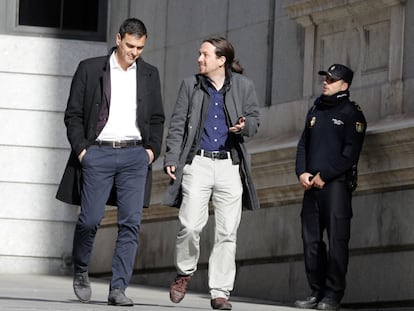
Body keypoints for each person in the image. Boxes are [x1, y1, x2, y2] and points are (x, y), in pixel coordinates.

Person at [55, 18, 165, 306]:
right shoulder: (90, 69)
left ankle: (118, 288)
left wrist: (150, 152)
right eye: (130, 45)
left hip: (134, 156)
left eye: (140, 47)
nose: (135, 52)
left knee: (130, 224)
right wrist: (83, 152)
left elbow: (156, 118)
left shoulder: (149, 74)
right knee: (90, 220)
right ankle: (81, 269)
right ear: (118, 39)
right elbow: (73, 115)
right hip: (98, 154)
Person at [163, 37, 260, 310]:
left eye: (205, 55)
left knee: (227, 232)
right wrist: (171, 156)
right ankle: (184, 271)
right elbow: (178, 123)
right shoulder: (190, 85)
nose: (199, 59)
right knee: (190, 225)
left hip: (230, 165)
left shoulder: (244, 86)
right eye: (199, 54)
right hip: (198, 164)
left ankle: (220, 292)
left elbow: (255, 121)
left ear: (222, 60)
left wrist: (244, 126)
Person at [294, 64, 366, 310]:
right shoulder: (315, 110)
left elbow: (350, 154)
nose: (326, 82)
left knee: (337, 241)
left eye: (332, 80)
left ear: (344, 85)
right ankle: (316, 291)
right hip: (311, 186)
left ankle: (332, 295)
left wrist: (325, 175)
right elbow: (303, 144)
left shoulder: (351, 114)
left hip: (335, 187)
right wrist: (302, 172)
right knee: (310, 241)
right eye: (325, 78)